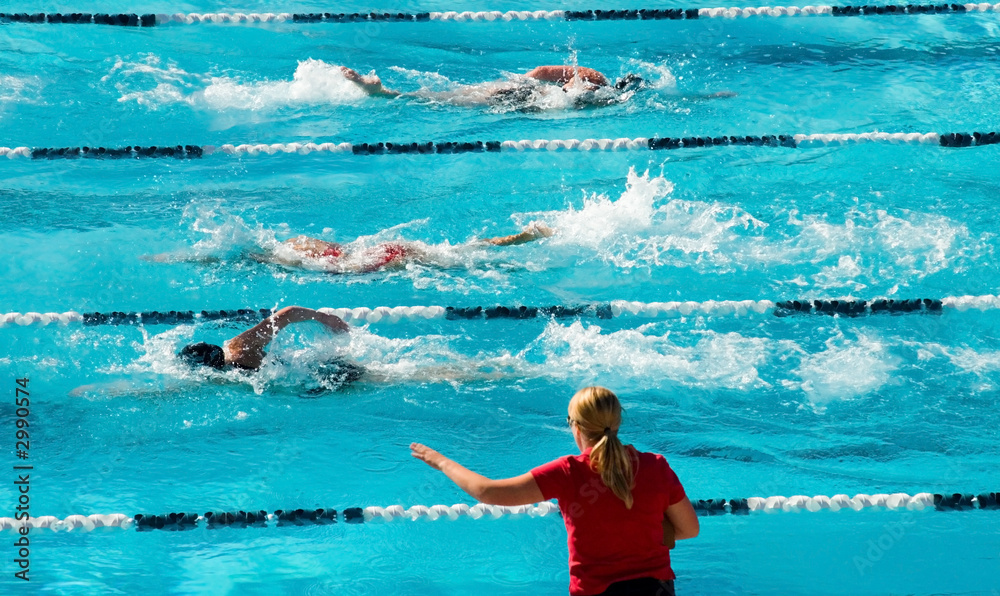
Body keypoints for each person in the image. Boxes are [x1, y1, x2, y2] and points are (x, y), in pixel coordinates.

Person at [410, 386, 699, 596]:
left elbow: (489, 492)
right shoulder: (655, 466)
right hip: (657, 589)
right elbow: (689, 529)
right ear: (618, 422)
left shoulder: (568, 472)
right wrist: (648, 529)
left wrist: (442, 462)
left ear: (576, 427)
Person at [255, 221, 554, 274]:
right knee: (455, 253)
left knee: (455, 259)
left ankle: (519, 240)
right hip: (380, 250)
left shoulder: (290, 257)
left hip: (376, 259)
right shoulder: (294, 245)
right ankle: (518, 239)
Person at [178, 305, 357, 374]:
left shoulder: (240, 346)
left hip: (323, 371)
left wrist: (324, 318)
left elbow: (289, 313)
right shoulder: (223, 371)